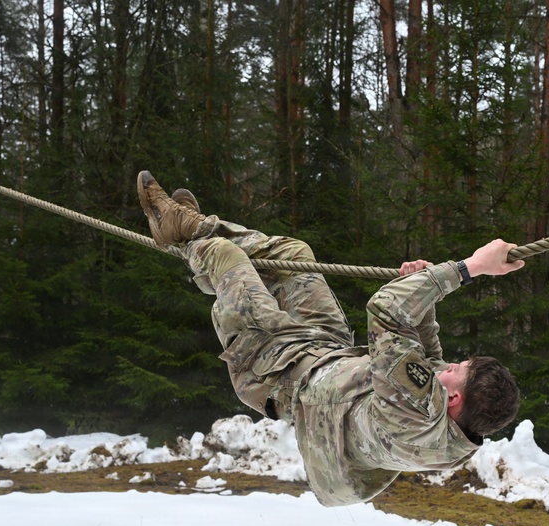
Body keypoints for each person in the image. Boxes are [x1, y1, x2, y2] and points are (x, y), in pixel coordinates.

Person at [137, 171, 524, 507]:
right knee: (294, 254)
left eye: (458, 370)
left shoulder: (415, 415)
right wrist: (419, 286)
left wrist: (470, 268)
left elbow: (386, 311)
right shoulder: (451, 424)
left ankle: (181, 232)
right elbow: (424, 351)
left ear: (455, 398)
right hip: (326, 351)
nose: (451, 365)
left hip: (273, 366)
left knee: (224, 257)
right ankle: (188, 225)